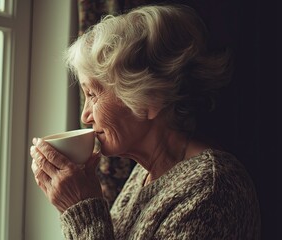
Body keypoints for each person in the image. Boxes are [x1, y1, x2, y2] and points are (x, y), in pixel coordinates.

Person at [29, 4, 260, 239]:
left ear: (149, 99)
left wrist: (81, 209)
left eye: (92, 95)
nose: (85, 116)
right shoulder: (145, 174)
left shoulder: (212, 189)